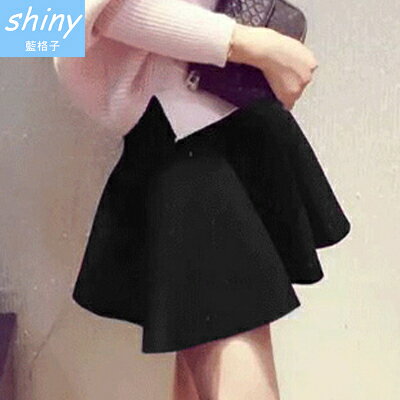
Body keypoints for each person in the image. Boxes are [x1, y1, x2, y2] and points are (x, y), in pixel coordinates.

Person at [53, 0, 350, 399]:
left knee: (205, 360)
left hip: (220, 111)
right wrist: (245, 43)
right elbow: (35, 22)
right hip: (183, 130)